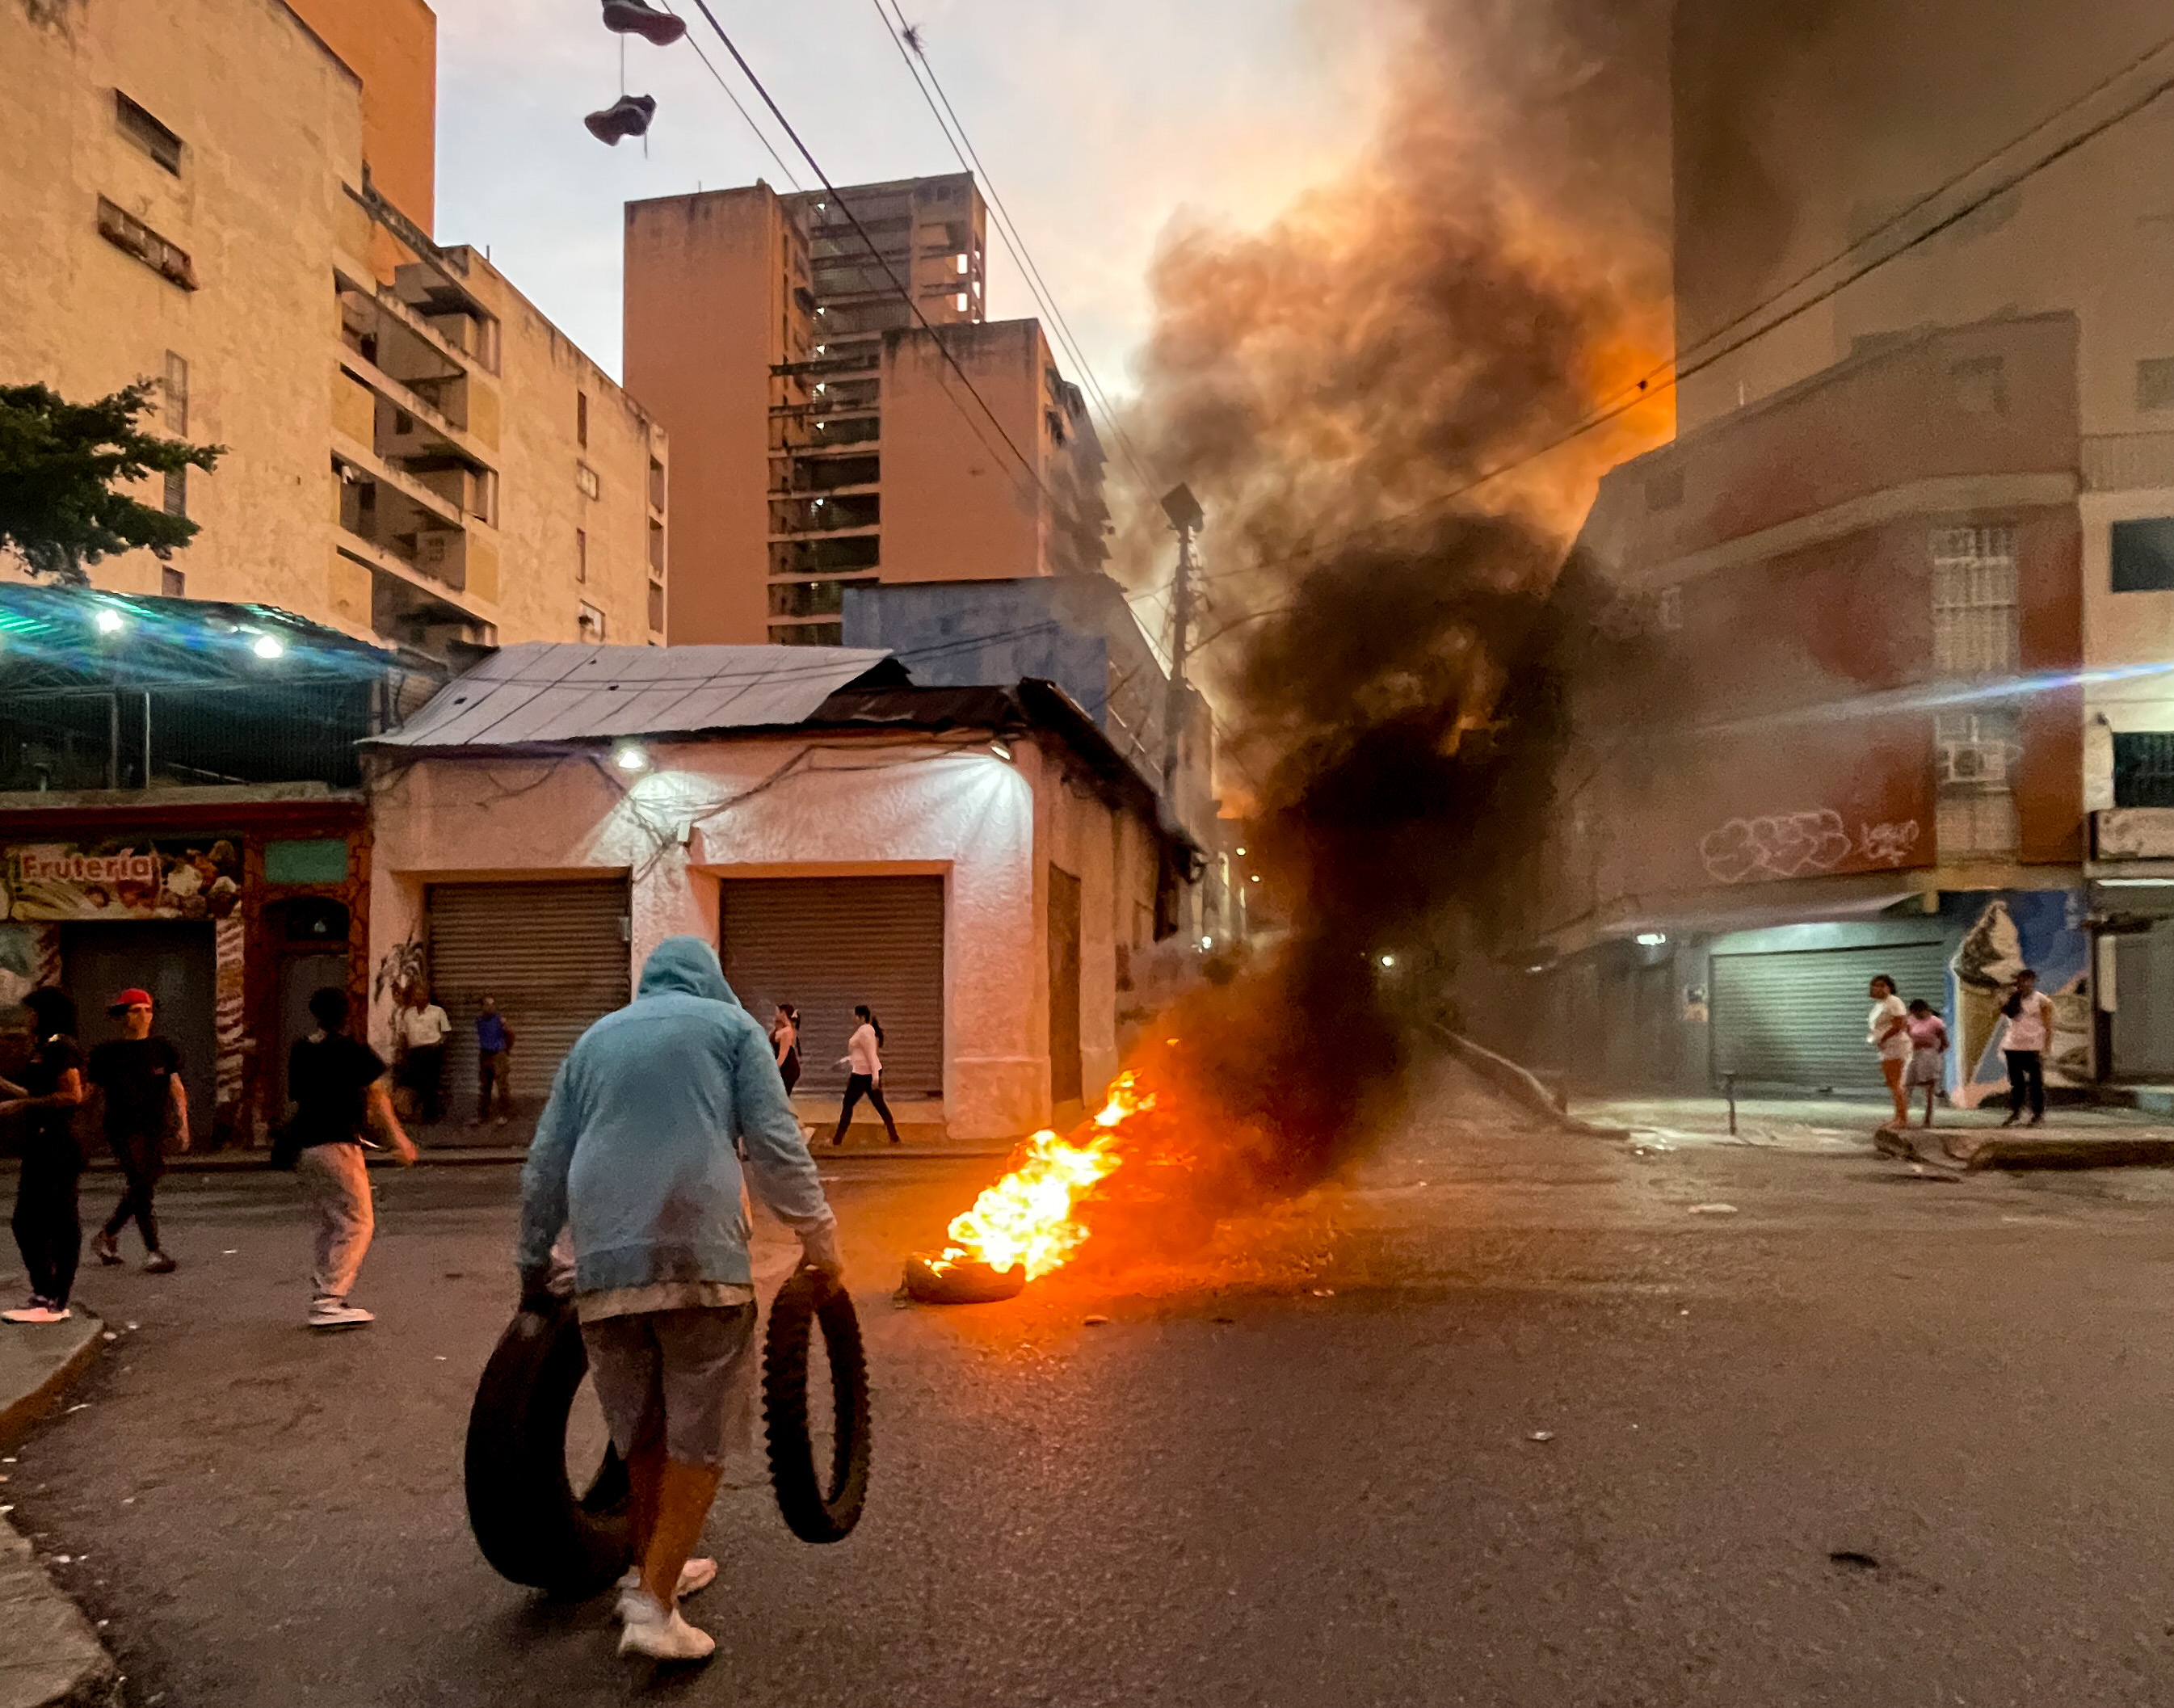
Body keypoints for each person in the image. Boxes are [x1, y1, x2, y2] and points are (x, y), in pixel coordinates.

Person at [516, 936, 842, 1664]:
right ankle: (653, 1608)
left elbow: (545, 1163)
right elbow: (775, 1140)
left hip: (604, 1264)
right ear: (710, 983)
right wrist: (818, 1237)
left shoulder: (594, 1040)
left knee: (642, 1432)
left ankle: (652, 1567)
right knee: (698, 1438)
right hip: (702, 1257)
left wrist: (533, 1264)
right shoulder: (730, 1031)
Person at [284, 986, 417, 1329]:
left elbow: (298, 1097)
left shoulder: (301, 1049)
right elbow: (377, 1095)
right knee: (358, 1221)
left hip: (305, 1146)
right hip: (337, 1145)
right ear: (345, 1014)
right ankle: (329, 1300)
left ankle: (325, 1294)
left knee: (332, 1221)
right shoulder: (350, 1047)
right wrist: (399, 1140)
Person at [1, 990, 88, 1323]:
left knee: (54, 1219)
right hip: (43, 1141)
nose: (27, 1019)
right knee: (28, 1220)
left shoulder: (61, 1045)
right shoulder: (47, 1046)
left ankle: (53, 1300)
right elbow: (40, 1092)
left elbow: (72, 1095)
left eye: (32, 1013)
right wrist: (9, 1089)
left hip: (59, 1141)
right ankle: (45, 1293)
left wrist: (20, 1105)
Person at [87, 987, 187, 1273]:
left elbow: (176, 1088)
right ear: (123, 1016)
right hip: (122, 1126)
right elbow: (92, 1094)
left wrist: (183, 1123)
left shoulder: (162, 1048)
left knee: (143, 1183)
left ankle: (107, 1235)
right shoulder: (107, 1053)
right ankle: (153, 1250)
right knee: (141, 1185)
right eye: (135, 1010)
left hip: (155, 1126)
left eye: (147, 1009)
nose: (143, 1016)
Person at [831, 1004, 902, 1146]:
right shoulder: (864, 1031)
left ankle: (838, 1139)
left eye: (855, 1015)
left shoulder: (865, 1032)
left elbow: (871, 1055)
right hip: (862, 1072)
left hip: (864, 1075)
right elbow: (860, 1054)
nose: (853, 1017)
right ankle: (894, 1135)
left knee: (849, 1104)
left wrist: (875, 1077)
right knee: (877, 1105)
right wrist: (844, 1061)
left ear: (861, 1017)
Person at [1999, 967, 2056, 1128]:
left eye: (2027, 981)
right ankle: (2016, 1111)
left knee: (2036, 1083)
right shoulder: (2013, 999)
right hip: (2012, 1046)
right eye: (2021, 981)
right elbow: (2005, 1015)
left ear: (2032, 982)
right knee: (2016, 1083)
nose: (2023, 984)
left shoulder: (2041, 1000)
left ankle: (2037, 1114)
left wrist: (2047, 1048)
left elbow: (2048, 1026)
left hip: (2032, 1047)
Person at [394, 985, 452, 1124]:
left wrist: (438, 1045)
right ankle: (414, 1114)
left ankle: (430, 1115)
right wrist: (403, 1051)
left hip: (431, 1051)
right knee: (415, 1084)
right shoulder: (408, 1014)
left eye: (422, 994)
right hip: (414, 1052)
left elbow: (446, 1032)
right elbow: (403, 1033)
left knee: (431, 1084)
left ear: (427, 996)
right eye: (416, 995)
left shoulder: (438, 1012)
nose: (419, 997)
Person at [1866, 974, 1911, 1129]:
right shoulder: (1880, 1004)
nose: (1878, 988)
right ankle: (1897, 1116)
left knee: (1896, 1082)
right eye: (1875, 985)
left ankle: (1902, 1118)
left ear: (1889, 987)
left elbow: (1899, 1024)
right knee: (1892, 1082)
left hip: (1895, 1046)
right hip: (1885, 1047)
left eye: (1882, 985)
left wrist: (1883, 1038)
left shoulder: (1894, 1001)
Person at [1903, 999, 1949, 1129]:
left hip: (1928, 1056)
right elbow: (1905, 1035)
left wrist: (1933, 1053)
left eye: (1917, 1013)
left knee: (1929, 1088)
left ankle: (1928, 1119)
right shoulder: (1910, 1020)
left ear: (1923, 1010)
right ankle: (1902, 1117)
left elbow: (1944, 1042)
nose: (1914, 1016)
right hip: (1913, 1055)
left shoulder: (1935, 1022)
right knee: (1907, 1086)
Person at [472, 995, 515, 1126]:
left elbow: (511, 1035)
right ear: (481, 1007)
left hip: (498, 1055)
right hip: (485, 1054)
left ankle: (505, 1114)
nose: (490, 1008)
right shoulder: (479, 1021)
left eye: (492, 1005)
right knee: (485, 1086)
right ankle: (483, 1115)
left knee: (502, 1086)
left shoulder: (500, 1020)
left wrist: (505, 1050)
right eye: (487, 1005)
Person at [770, 1003, 801, 1096]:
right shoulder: (782, 1029)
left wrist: (773, 1070)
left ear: (783, 1014)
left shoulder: (787, 1031)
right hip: (785, 1067)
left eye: (777, 1012)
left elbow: (783, 1054)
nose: (775, 1014)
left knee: (781, 1096)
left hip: (787, 1068)